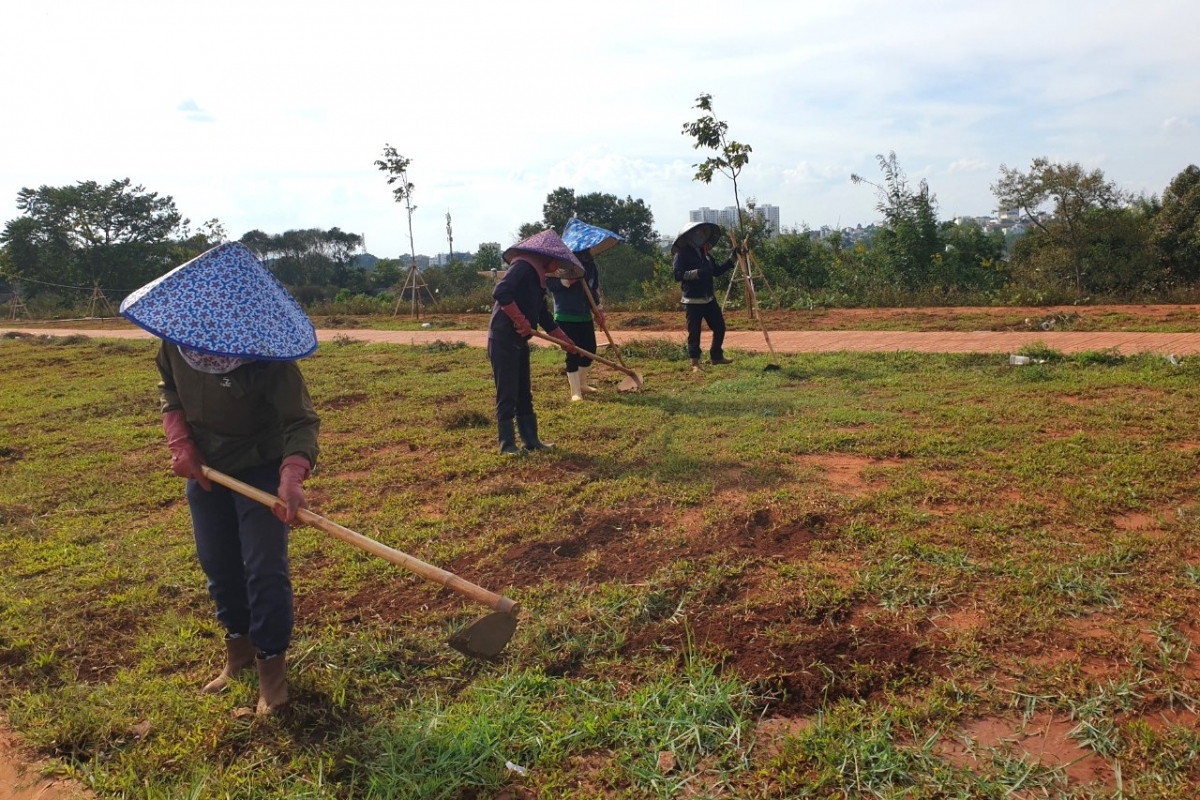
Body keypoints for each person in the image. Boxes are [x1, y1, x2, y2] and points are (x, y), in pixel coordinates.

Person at [119, 241, 320, 715]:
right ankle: (239, 656)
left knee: (263, 567)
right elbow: (170, 393)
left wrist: (291, 475)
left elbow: (300, 423)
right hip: (207, 471)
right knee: (219, 564)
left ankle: (273, 672)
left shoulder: (268, 360)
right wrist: (181, 444)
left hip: (261, 467)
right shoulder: (174, 344)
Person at [488, 229, 580, 454]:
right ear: (545, 256)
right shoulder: (523, 266)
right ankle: (507, 445)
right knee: (508, 392)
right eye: (556, 261)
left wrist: (565, 341)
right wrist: (520, 320)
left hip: (519, 341)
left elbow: (544, 317)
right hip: (503, 338)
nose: (557, 267)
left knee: (523, 392)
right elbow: (501, 291)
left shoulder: (539, 278)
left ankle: (531, 441)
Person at [672, 221, 736, 371]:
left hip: (708, 298)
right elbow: (678, 275)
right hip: (693, 300)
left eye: (702, 233)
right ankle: (695, 363)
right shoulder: (681, 254)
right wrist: (697, 273)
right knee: (695, 332)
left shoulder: (705, 254)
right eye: (696, 233)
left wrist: (732, 259)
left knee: (719, 327)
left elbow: (717, 271)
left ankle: (716, 356)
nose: (700, 236)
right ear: (688, 237)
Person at [547, 249, 605, 401]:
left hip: (584, 314)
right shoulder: (559, 263)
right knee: (572, 351)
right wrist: (568, 280)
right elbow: (550, 284)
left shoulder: (589, 266)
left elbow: (593, 289)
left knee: (590, 349)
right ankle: (575, 391)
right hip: (565, 315)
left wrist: (598, 310)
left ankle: (582, 383)